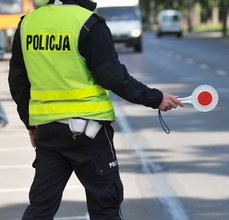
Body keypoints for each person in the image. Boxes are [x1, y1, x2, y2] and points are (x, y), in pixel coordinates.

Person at [8, 0, 183, 219]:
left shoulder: (28, 23)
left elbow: (18, 81)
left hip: (49, 131)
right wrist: (155, 98)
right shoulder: (89, 23)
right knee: (105, 206)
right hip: (90, 135)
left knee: (41, 207)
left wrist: (31, 124)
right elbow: (112, 76)